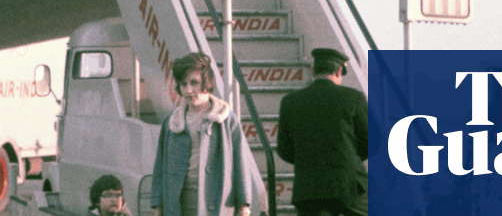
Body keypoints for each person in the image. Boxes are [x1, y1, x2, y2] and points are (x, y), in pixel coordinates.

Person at [151, 53, 253, 216]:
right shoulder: (171, 123)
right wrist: (158, 206)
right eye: (183, 84)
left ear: (206, 83)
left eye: (194, 83)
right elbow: (160, 167)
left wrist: (244, 205)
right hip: (178, 203)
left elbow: (240, 162)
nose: (188, 90)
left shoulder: (226, 119)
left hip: (218, 202)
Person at [276, 48, 369, 216]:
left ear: (313, 70)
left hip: (309, 189)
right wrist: (349, 158)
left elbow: (284, 149)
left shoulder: (290, 101)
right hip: (350, 185)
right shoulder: (353, 97)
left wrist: (309, 160)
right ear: (339, 71)